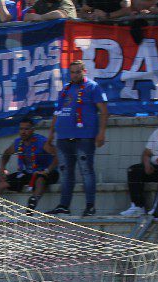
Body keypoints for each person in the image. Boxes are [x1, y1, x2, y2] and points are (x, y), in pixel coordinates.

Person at [46, 60, 107, 217]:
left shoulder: (93, 87)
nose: (75, 75)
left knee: (86, 170)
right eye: (72, 72)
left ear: (84, 71)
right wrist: (51, 134)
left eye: (78, 72)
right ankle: (64, 206)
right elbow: (57, 112)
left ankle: (90, 207)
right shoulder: (65, 89)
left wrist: (101, 132)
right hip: (63, 137)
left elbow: (104, 111)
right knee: (65, 172)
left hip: (84, 137)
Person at [0, 118, 59, 210]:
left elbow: (58, 155)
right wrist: (2, 168)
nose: (23, 132)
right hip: (28, 173)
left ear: (33, 130)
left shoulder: (41, 142)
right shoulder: (18, 142)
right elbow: (6, 153)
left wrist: (47, 170)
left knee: (40, 179)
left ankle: (32, 204)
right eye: (21, 129)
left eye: (26, 129)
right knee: (2, 184)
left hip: (47, 172)